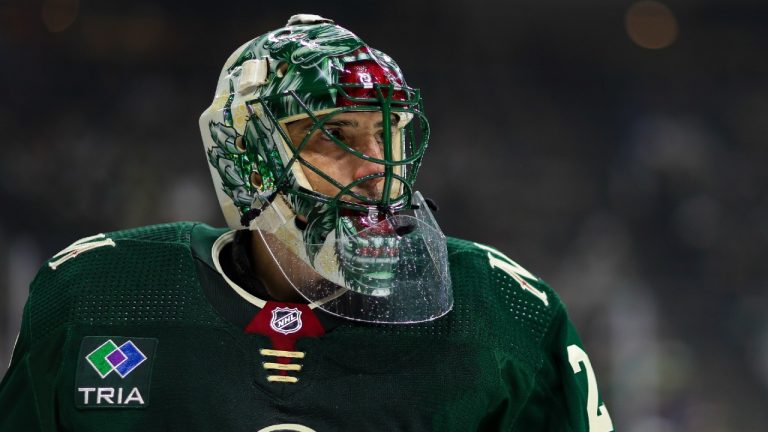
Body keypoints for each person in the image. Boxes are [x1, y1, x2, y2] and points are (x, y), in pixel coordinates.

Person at [0, 14, 614, 432]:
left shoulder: (505, 312)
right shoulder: (101, 293)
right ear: (249, 157)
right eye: (334, 133)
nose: (377, 168)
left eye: (387, 133)